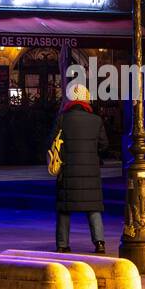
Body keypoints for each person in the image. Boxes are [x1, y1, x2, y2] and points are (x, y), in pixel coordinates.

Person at [52, 84, 109, 253]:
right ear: (86, 98)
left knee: (64, 209)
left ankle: (62, 244)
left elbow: (52, 141)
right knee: (93, 207)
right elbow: (104, 145)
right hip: (91, 171)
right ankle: (99, 242)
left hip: (68, 170)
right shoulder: (96, 120)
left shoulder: (62, 119)